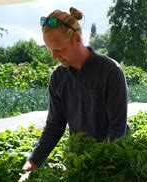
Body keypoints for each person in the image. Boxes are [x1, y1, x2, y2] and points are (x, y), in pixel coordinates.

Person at [23, 7, 129, 171]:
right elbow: (55, 125)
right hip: (79, 162)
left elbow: (117, 130)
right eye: (50, 50)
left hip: (113, 162)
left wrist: (103, 164)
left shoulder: (110, 71)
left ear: (77, 39)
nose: (54, 56)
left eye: (58, 49)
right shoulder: (58, 78)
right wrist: (33, 161)